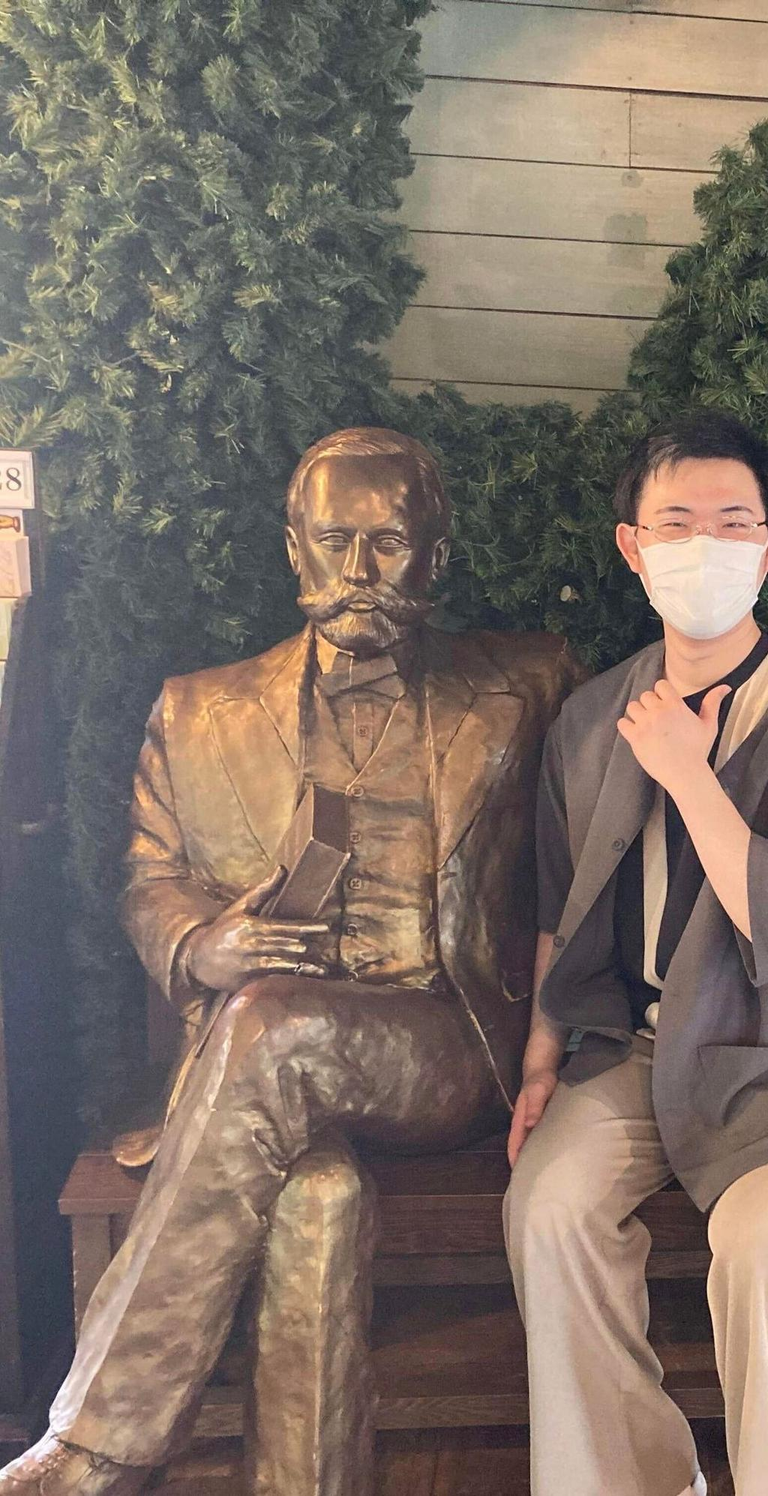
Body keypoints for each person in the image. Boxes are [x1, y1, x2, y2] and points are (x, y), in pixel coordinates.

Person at [0, 427, 581, 1496]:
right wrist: (201, 943)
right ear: (293, 548)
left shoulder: (527, 682)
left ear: (435, 557)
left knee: (273, 1024)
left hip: (442, 1041)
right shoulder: (199, 708)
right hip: (257, 1074)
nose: (360, 570)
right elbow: (148, 875)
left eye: (389, 543)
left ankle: (98, 1442)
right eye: (334, 539)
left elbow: (658, 744)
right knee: (316, 1196)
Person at [503, 410, 768, 1496]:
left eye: (733, 522)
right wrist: (542, 1057)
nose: (704, 546)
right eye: (675, 522)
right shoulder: (593, 717)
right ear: (632, 546)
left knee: (767, 1256)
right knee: (549, 1210)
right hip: (643, 1047)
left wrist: (690, 771)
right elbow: (560, 903)